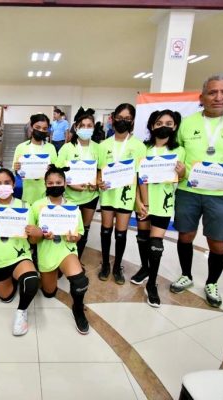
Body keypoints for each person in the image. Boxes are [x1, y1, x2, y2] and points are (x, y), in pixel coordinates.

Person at [170, 73, 223, 308]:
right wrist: (178, 169)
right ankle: (186, 274)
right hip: (188, 190)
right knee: (185, 236)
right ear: (202, 97)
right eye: (212, 92)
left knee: (218, 243)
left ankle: (212, 282)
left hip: (221, 194)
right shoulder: (187, 123)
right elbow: (177, 152)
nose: (218, 97)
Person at [133, 110, 185, 307]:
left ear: (175, 126)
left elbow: (181, 177)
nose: (163, 126)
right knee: (142, 238)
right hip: (143, 202)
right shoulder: (143, 149)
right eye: (159, 122)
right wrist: (140, 202)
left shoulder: (179, 150)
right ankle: (144, 268)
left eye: (169, 123)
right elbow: (137, 177)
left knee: (156, 245)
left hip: (163, 204)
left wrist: (182, 172)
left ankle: (152, 284)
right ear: (152, 126)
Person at [29, 165, 89, 334]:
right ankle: (49, 270)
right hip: (46, 252)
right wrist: (40, 234)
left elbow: (79, 234)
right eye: (50, 183)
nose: (54, 185)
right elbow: (32, 240)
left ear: (65, 183)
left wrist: (74, 238)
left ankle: (78, 308)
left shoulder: (73, 207)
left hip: (66, 250)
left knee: (80, 282)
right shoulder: (37, 206)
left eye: (58, 182)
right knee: (49, 293)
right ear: (45, 184)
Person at [0, 168, 39, 335]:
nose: (3, 186)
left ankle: (21, 312)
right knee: (5, 297)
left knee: (31, 281)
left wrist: (36, 234)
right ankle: (13, 280)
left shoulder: (25, 206)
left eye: (7, 182)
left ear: (13, 184)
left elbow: (32, 241)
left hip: (20, 256)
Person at [97, 103, 146, 284]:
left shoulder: (139, 146)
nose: (122, 121)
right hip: (108, 195)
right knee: (105, 231)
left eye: (127, 118)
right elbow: (99, 171)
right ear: (113, 119)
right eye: (119, 118)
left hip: (126, 197)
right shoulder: (104, 145)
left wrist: (140, 201)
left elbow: (140, 177)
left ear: (132, 121)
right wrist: (98, 181)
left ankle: (117, 266)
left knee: (120, 234)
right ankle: (105, 265)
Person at [57, 107, 99, 260]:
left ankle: (77, 259)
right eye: (83, 126)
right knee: (69, 228)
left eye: (89, 126)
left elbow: (101, 170)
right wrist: (70, 184)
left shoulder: (98, 148)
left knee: (84, 230)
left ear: (93, 128)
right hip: (71, 196)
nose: (86, 129)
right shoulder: (67, 148)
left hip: (91, 196)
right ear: (76, 127)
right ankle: (65, 258)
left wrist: (97, 182)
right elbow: (59, 171)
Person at [13, 113, 57, 205]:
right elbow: (16, 171)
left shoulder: (51, 147)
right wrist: (17, 169)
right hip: (27, 193)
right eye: (38, 127)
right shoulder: (21, 147)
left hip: (46, 193)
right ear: (31, 127)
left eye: (44, 129)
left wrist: (52, 169)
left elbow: (56, 170)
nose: (41, 130)